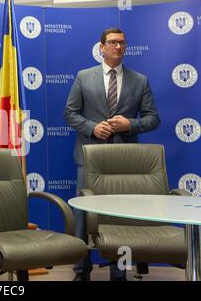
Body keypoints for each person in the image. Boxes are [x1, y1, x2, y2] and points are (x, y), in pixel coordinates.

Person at [64, 28, 160, 281]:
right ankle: (81, 271)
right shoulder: (84, 77)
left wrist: (131, 124)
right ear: (102, 47)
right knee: (82, 216)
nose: (118, 47)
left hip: (125, 163)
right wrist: (92, 127)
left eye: (122, 43)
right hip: (90, 157)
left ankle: (120, 273)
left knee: (121, 218)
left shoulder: (140, 80)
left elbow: (153, 119)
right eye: (112, 42)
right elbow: (70, 113)